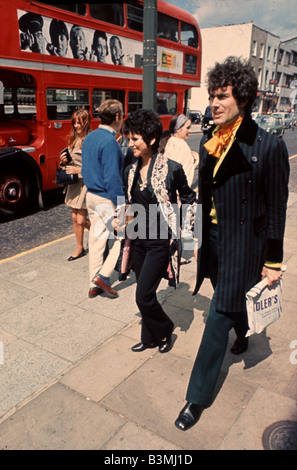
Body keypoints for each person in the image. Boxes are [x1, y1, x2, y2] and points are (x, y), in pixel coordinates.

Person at [175, 57, 290, 431]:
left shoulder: (268, 146)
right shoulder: (211, 143)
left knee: (217, 315)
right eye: (212, 95)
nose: (214, 102)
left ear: (243, 98)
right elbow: (202, 199)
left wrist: (273, 262)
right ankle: (243, 333)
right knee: (230, 298)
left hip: (246, 244)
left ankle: (196, 397)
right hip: (216, 241)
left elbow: (276, 210)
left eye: (222, 95)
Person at [122, 109, 197, 354]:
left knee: (142, 296)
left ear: (151, 140)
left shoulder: (171, 168)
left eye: (135, 139)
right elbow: (129, 204)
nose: (130, 143)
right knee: (146, 293)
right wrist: (120, 220)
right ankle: (150, 337)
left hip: (159, 242)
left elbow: (188, 198)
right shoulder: (130, 170)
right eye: (128, 137)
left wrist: (186, 234)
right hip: (139, 241)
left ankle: (165, 328)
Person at [81, 99, 124, 299]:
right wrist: (121, 204)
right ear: (117, 117)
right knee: (125, 237)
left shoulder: (90, 138)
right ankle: (104, 277)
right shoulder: (110, 142)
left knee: (96, 241)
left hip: (90, 195)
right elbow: (113, 178)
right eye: (122, 115)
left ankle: (93, 285)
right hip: (106, 198)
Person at [60, 108, 91, 261]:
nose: (76, 126)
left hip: (85, 183)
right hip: (74, 183)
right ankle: (80, 247)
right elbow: (71, 160)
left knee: (81, 220)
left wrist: (79, 169)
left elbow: (97, 165)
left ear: (86, 122)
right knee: (74, 218)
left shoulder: (91, 139)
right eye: (74, 123)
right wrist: (65, 161)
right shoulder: (74, 138)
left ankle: (102, 232)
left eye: (80, 123)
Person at [159, 114, 199, 188]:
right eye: (188, 128)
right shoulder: (184, 148)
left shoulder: (168, 141)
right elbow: (185, 180)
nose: (190, 131)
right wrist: (194, 165)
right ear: (178, 129)